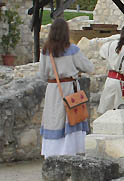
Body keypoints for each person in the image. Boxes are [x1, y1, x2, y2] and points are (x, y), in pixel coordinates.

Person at [39, 18, 94, 157]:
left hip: (53, 90)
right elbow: (89, 67)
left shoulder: (46, 51)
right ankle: (70, 152)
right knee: (71, 119)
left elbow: (42, 74)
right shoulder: (73, 50)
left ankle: (52, 154)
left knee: (54, 120)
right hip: (70, 88)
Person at [97, 24, 124, 114]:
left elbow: (101, 54)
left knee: (107, 112)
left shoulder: (110, 44)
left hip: (109, 81)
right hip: (122, 84)